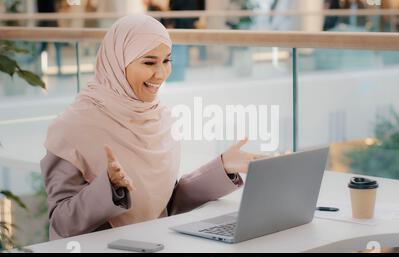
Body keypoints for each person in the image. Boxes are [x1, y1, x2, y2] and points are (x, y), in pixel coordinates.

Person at [41, 15, 264, 240]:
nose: (161, 74)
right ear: (118, 63)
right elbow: (62, 223)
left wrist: (223, 167)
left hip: (155, 244)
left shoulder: (160, 118)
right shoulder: (72, 127)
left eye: (166, 60)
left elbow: (166, 206)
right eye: (149, 62)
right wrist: (108, 188)